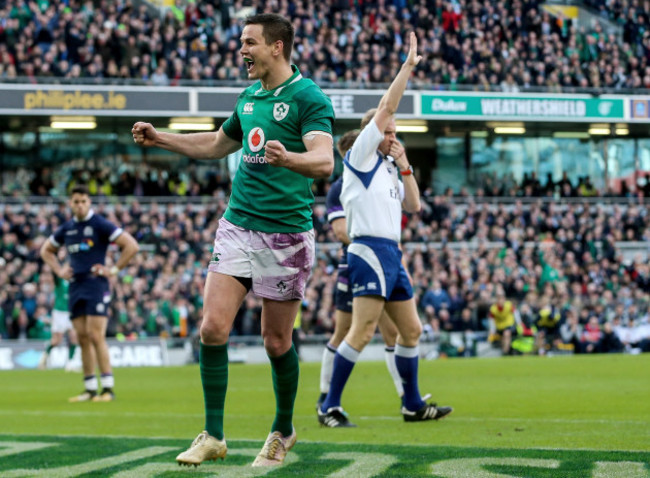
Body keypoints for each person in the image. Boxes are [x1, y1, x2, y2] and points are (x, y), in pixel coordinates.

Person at [132, 13, 334, 468]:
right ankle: (214, 435)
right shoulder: (248, 99)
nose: (241, 50)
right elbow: (217, 145)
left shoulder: (308, 98)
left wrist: (291, 159)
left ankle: (283, 429)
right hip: (238, 225)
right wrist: (160, 138)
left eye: (249, 43)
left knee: (276, 343)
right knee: (212, 328)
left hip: (286, 235)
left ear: (276, 47)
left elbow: (324, 162)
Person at [317, 32, 452, 428]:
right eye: (388, 132)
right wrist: (407, 67)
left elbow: (415, 205)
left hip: (391, 252)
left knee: (411, 330)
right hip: (368, 250)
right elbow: (386, 105)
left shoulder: (391, 168)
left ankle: (411, 404)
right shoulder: (359, 157)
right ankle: (329, 407)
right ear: (372, 134)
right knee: (359, 332)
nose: (392, 136)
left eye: (395, 133)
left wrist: (405, 163)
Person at [317, 130, 404, 411]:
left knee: (392, 332)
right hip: (356, 265)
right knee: (344, 332)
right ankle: (325, 396)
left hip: (379, 262)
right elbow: (341, 231)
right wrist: (373, 243)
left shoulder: (379, 178)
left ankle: (407, 397)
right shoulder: (340, 188)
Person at [40, 185, 139, 402]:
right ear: (70, 203)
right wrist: (58, 270)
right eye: (76, 201)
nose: (80, 205)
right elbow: (45, 250)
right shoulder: (67, 229)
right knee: (82, 338)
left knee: (96, 336)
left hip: (96, 285)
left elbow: (131, 245)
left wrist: (112, 270)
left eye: (84, 201)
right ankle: (90, 389)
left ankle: (108, 389)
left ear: (89, 202)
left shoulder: (100, 224)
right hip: (75, 286)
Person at [38, 258, 79, 372]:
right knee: (57, 340)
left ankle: (70, 364)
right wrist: (55, 261)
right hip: (59, 313)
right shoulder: (60, 281)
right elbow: (54, 274)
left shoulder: (74, 282)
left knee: (74, 337)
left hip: (70, 312)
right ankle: (45, 357)